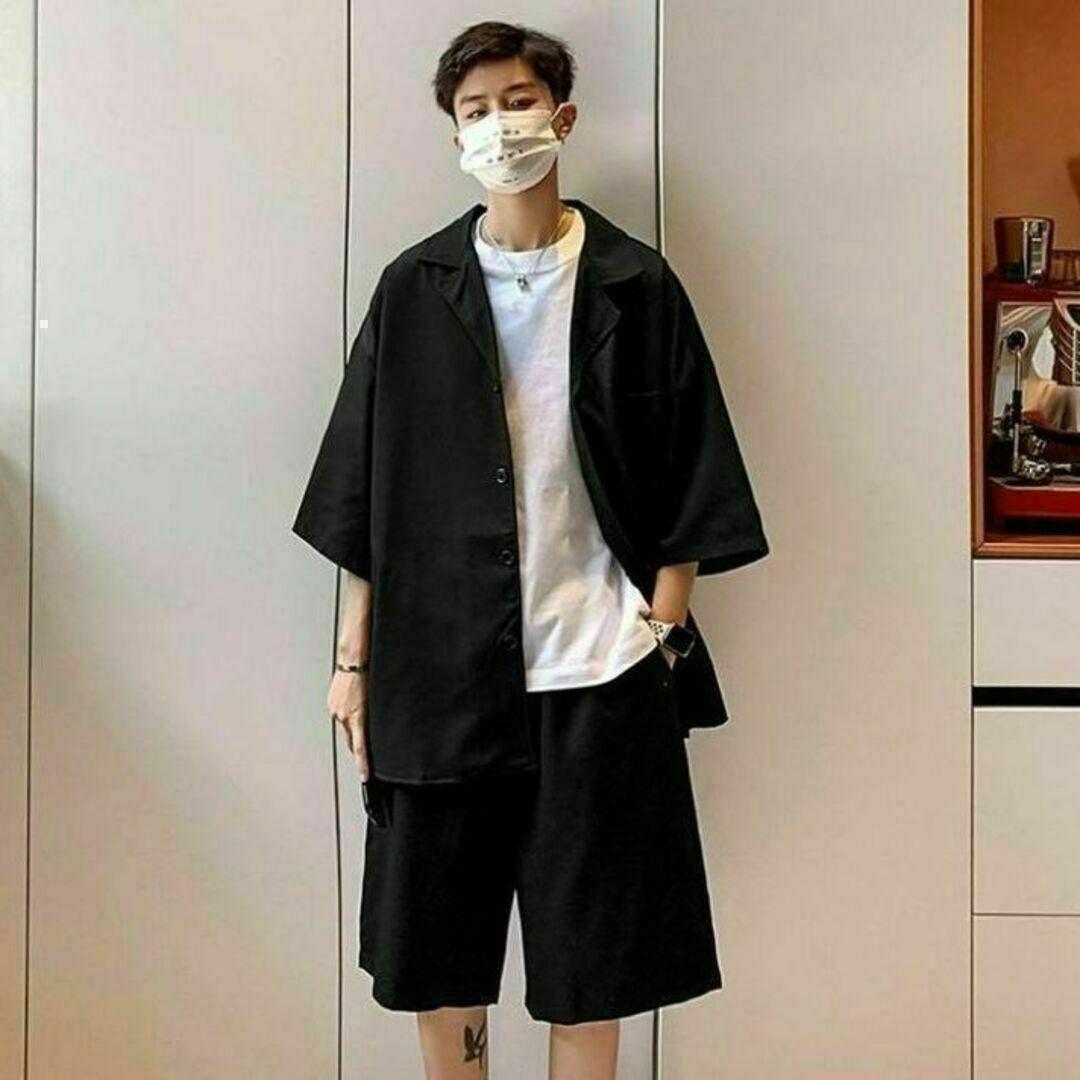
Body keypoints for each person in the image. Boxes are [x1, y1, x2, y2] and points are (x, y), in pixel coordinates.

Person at [291, 19, 770, 1080]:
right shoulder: (415, 288)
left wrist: (664, 627)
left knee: (593, 965)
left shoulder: (637, 285)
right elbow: (362, 491)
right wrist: (351, 663)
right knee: (439, 956)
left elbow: (694, 468)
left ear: (562, 116)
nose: (500, 126)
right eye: (476, 110)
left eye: (517, 102)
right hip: (439, 683)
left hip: (599, 676)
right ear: (453, 135)